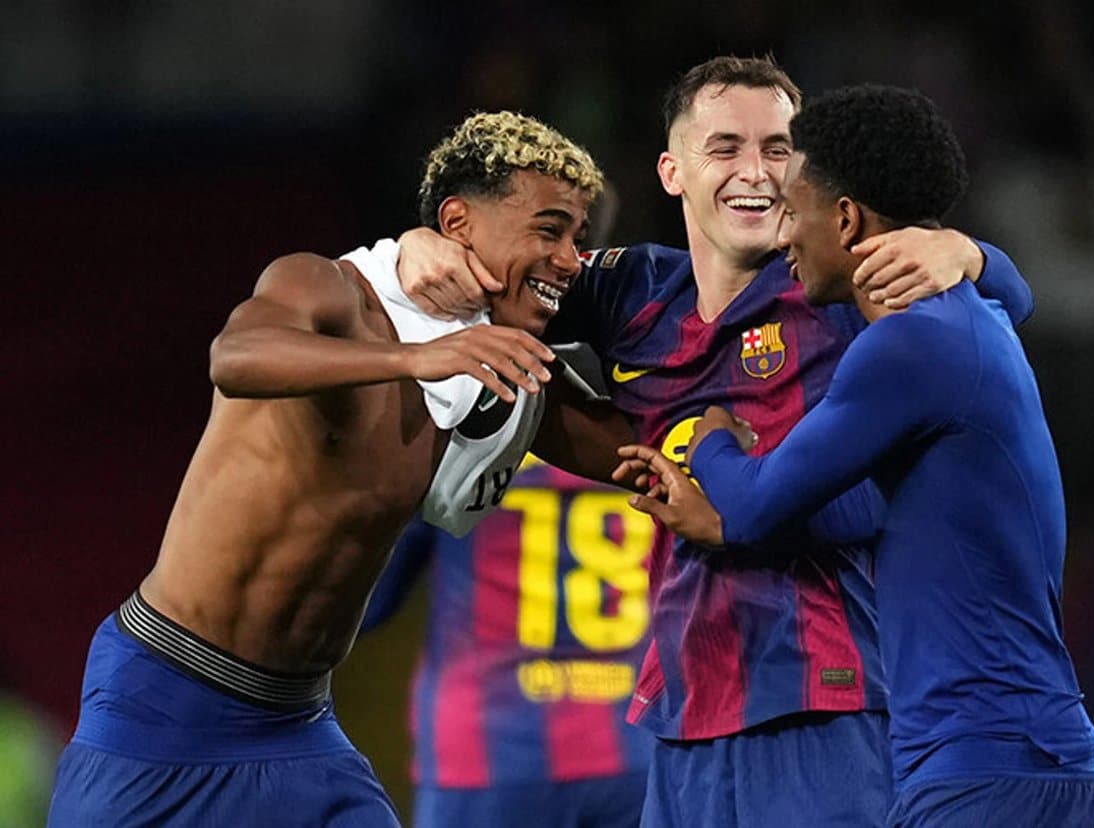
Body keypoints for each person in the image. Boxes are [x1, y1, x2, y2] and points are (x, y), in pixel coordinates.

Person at [394, 57, 1035, 827]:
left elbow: (996, 312)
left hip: (826, 700)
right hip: (682, 711)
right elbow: (501, 279)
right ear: (673, 171)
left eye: (777, 149)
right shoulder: (632, 291)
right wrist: (411, 249)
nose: (756, 172)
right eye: (726, 147)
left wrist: (972, 254)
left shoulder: (836, 287)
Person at [46, 111, 623, 828]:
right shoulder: (329, 289)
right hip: (162, 699)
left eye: (575, 235)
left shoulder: (505, 367)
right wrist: (411, 360)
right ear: (458, 221)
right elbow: (235, 359)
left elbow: (637, 455)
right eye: (550, 229)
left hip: (297, 728)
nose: (571, 258)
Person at [618, 84, 1094, 827]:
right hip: (999, 753)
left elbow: (751, 502)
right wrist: (970, 251)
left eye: (794, 208)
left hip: (990, 759)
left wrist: (708, 431)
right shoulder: (970, 319)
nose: (783, 236)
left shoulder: (908, 347)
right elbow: (865, 505)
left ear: (845, 218)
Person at [361, 456, 656, 827]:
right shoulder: (662, 427)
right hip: (640, 749)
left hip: (486, 752)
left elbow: (367, 606)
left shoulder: (459, 440)